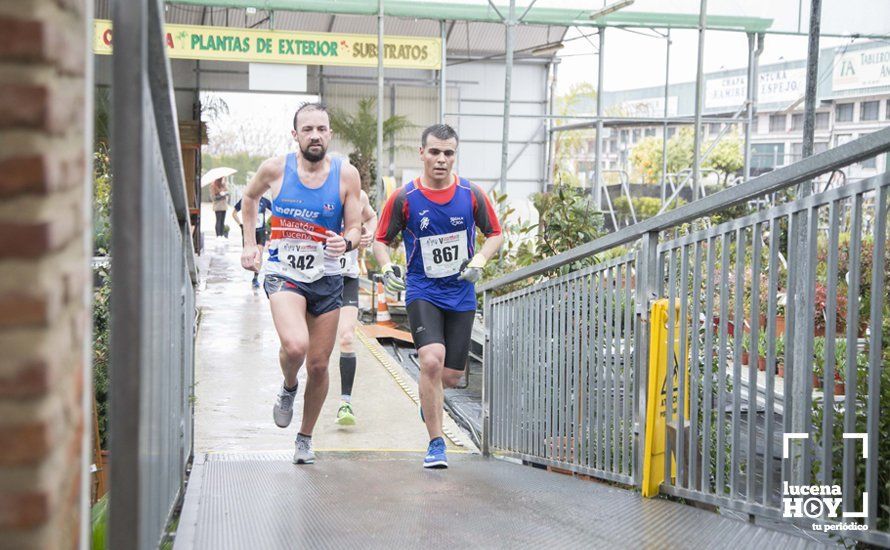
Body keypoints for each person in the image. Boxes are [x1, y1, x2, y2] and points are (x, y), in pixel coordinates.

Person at [373, 124, 503, 468]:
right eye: (434, 152)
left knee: (449, 377)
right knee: (430, 361)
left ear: (454, 156)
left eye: (448, 153)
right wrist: (387, 269)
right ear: (422, 153)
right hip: (423, 290)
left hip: (460, 294)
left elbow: (495, 233)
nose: (441, 159)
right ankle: (436, 443)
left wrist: (480, 260)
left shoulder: (471, 194)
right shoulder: (405, 198)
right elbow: (380, 240)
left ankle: (428, 397)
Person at [240, 102, 362, 465]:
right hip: (284, 273)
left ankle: (305, 437)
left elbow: (354, 226)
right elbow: (249, 198)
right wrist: (250, 243)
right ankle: (288, 387)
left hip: (327, 277)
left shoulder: (347, 175)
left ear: (330, 134)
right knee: (295, 347)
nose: (315, 136)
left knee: (320, 365)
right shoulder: (276, 169)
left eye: (321, 129)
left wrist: (348, 241)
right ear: (295, 135)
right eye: (307, 129)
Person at [335, 190, 377, 425]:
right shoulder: (313, 195)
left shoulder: (358, 196)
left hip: (347, 277)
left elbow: (371, 217)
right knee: (311, 350)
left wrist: (367, 234)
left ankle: (345, 403)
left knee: (347, 338)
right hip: (316, 278)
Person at [233, 193, 273, 289]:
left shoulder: (264, 201)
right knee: (251, 256)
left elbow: (275, 211)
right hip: (249, 231)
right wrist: (240, 225)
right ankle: (252, 271)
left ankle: (255, 278)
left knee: (259, 254)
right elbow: (234, 213)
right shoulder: (246, 199)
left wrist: (268, 222)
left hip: (261, 231)